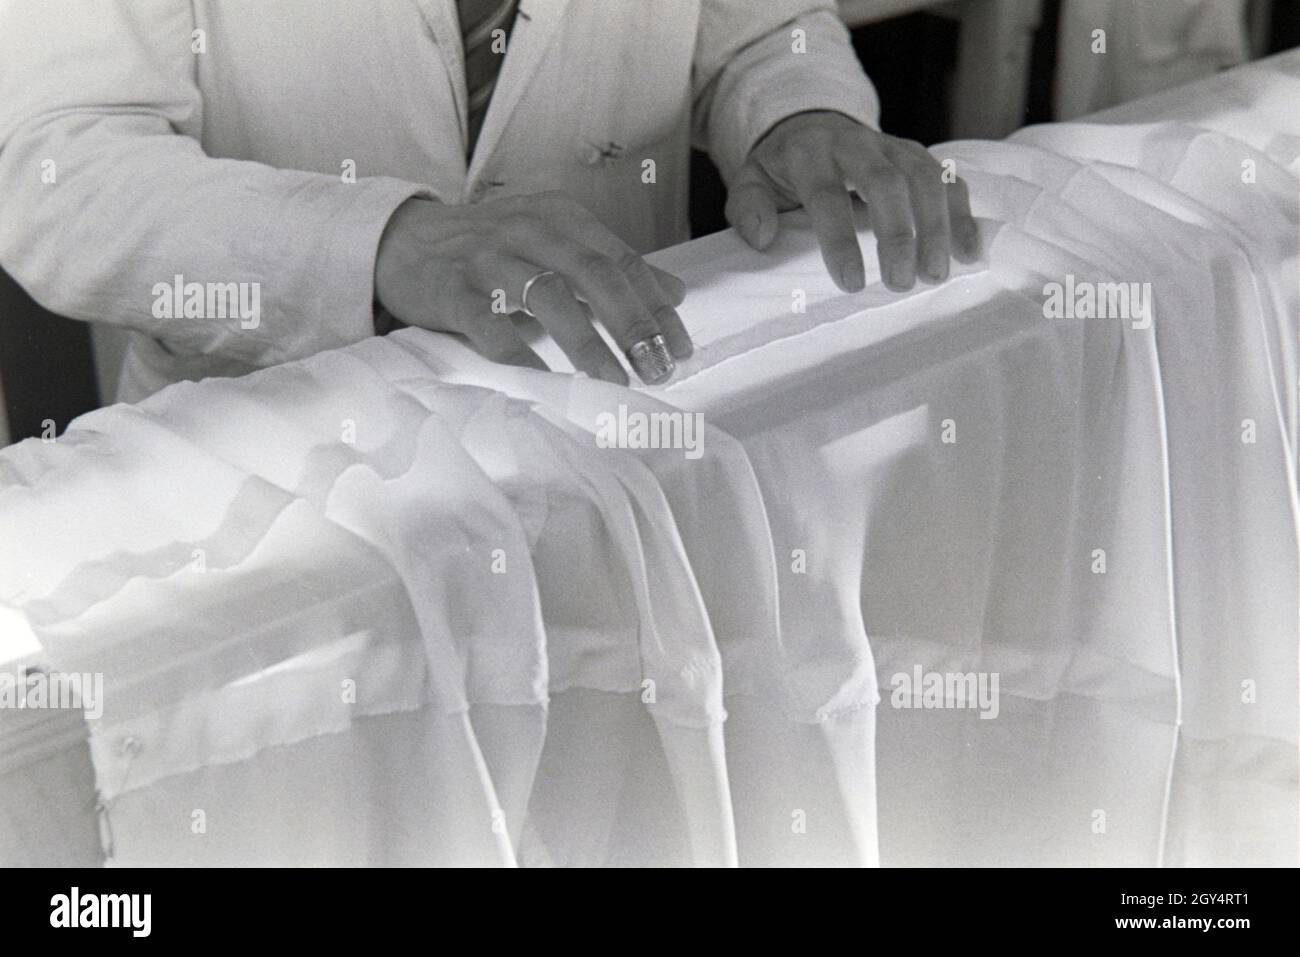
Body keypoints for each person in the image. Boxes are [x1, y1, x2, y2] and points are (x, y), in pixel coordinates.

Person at [0, 0, 978, 398]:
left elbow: (766, 28)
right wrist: (379, 246)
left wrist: (792, 114)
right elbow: (58, 168)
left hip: (620, 418)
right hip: (273, 482)